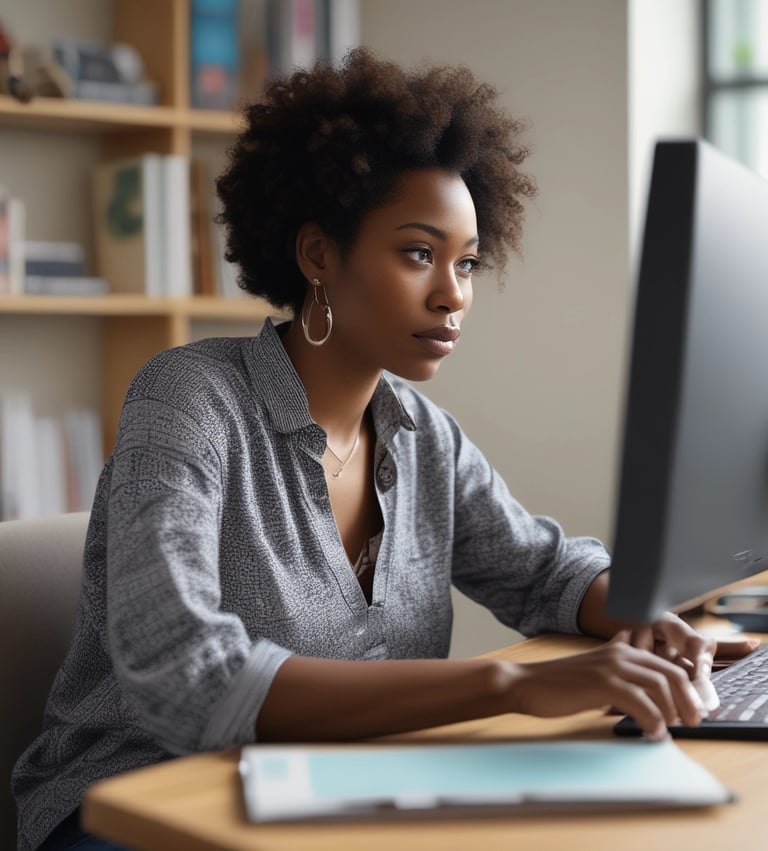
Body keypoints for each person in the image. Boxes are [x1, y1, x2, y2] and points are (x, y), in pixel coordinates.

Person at [12, 48, 756, 851]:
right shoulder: (188, 399)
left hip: (333, 800)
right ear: (318, 255)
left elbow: (543, 572)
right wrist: (511, 684)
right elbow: (186, 675)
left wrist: (649, 615)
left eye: (467, 262)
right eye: (417, 253)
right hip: (135, 809)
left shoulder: (421, 435)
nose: (453, 293)